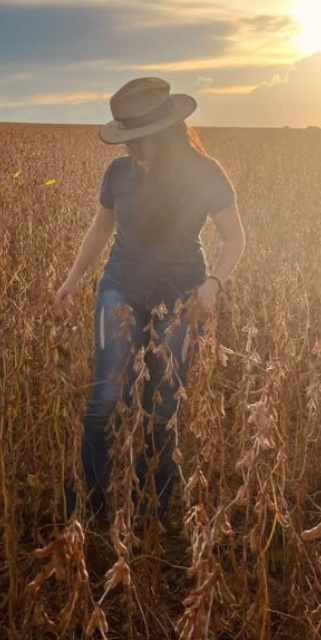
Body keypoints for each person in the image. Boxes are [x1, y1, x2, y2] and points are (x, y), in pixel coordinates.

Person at [54, 77, 246, 527]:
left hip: (182, 295)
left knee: (163, 406)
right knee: (105, 399)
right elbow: (101, 229)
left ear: (165, 133)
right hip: (120, 287)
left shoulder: (205, 172)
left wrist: (214, 284)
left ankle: (154, 504)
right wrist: (74, 278)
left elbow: (234, 237)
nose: (131, 150)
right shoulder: (119, 174)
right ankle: (92, 502)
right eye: (127, 141)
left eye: (138, 141)